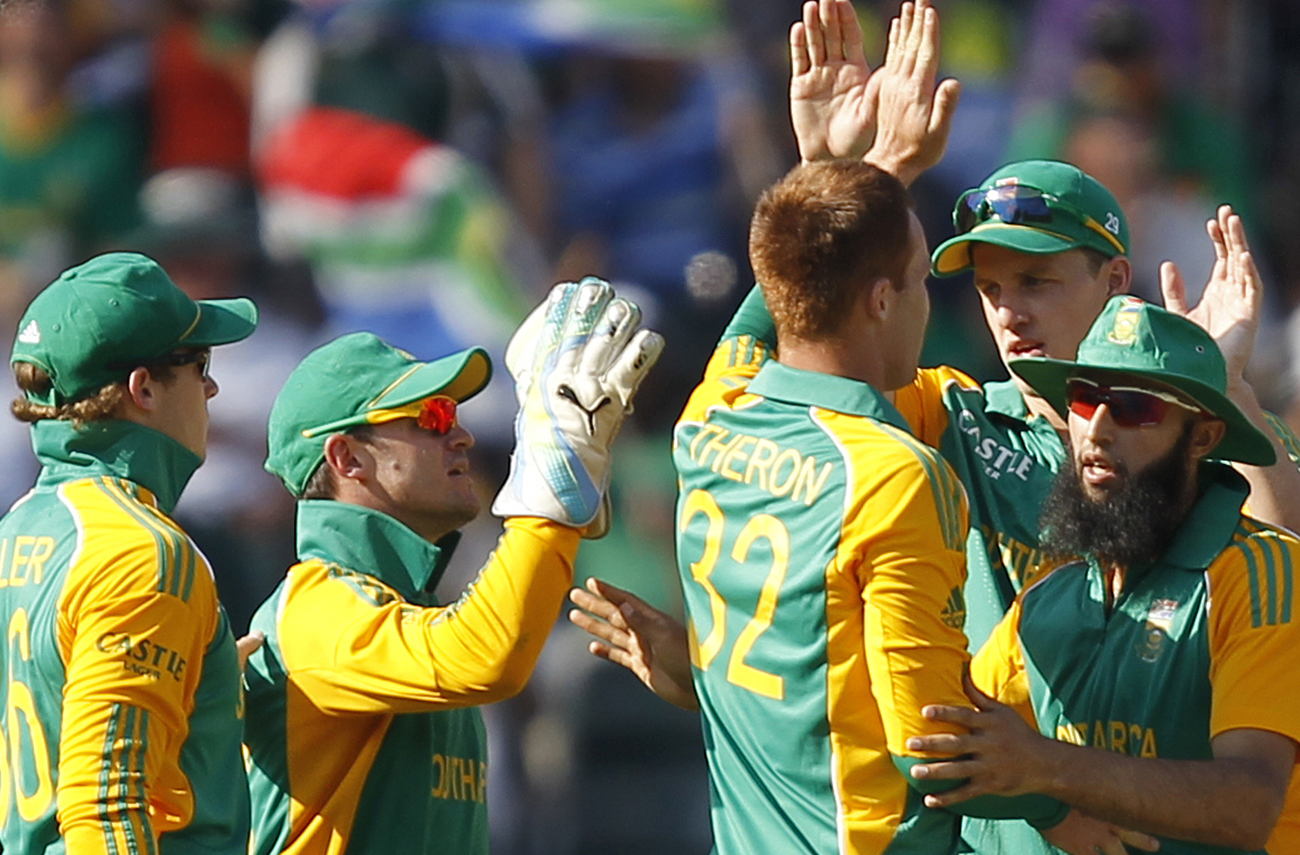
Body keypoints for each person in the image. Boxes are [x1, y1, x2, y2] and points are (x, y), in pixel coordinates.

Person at [241, 277, 661, 855]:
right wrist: (558, 471)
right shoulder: (316, 607)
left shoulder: (412, 609)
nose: (461, 434)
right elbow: (484, 658)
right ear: (347, 458)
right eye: (431, 417)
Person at [905, 296, 1300, 854]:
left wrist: (1047, 768)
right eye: (1084, 400)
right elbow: (956, 745)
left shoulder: (1263, 573)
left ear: (1205, 437)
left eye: (1135, 407)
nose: (1097, 428)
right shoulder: (1052, 594)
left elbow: (1249, 804)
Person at [0, 251, 258, 854]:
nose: (213, 386)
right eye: (199, 363)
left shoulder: (17, 529)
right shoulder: (141, 552)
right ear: (142, 388)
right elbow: (108, 811)